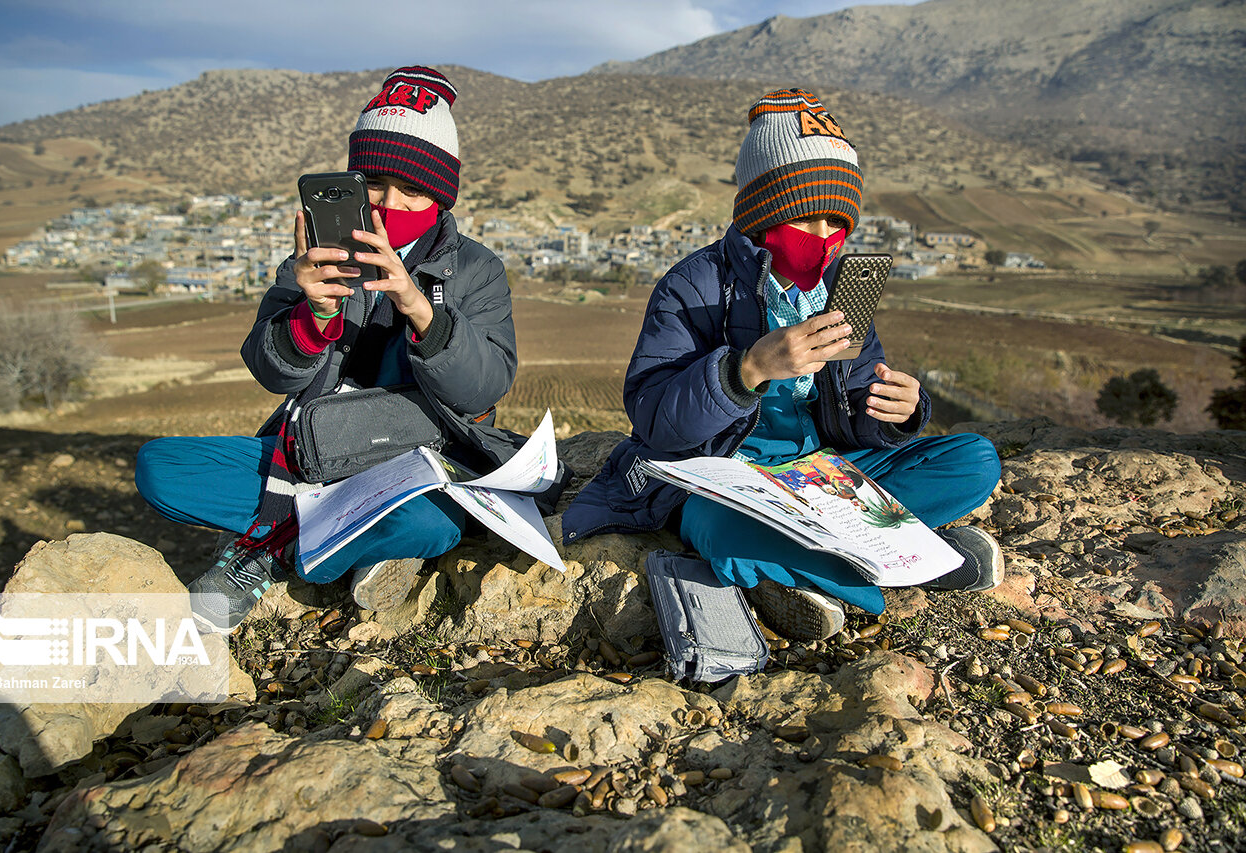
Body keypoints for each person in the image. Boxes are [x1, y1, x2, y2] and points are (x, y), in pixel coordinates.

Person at [562, 88, 1003, 640]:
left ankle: (812, 568)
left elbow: (858, 412)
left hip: (820, 476)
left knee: (974, 460)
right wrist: (745, 371)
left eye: (837, 224)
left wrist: (898, 411)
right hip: (724, 479)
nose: (824, 240)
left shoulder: (839, 291)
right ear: (764, 213)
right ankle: (896, 567)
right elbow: (654, 420)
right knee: (713, 524)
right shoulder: (694, 285)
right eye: (806, 220)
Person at [135, 66, 558, 633]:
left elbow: (483, 388)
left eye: (411, 189)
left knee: (433, 526)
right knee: (161, 470)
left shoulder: (475, 270)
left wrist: (419, 307)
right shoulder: (316, 258)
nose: (389, 202)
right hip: (311, 450)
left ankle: (271, 554)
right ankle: (339, 542)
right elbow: (272, 371)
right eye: (373, 185)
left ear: (440, 194)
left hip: (415, 459)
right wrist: (315, 313)